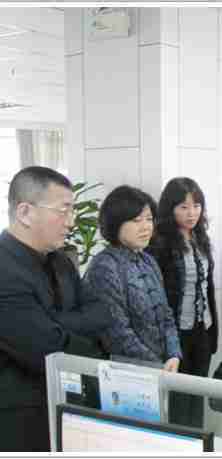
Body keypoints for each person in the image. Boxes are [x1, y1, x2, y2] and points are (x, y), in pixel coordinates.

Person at [0, 166, 111, 452]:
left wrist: (52, 320)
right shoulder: (4, 268)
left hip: (69, 407)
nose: (71, 222)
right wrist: (62, 329)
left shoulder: (60, 260)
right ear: (25, 212)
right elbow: (46, 349)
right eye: (63, 211)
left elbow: (102, 313)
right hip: (19, 421)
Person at [84, 186, 182, 371]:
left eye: (149, 219)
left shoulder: (148, 261)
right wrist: (157, 365)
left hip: (163, 368)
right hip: (127, 373)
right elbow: (117, 335)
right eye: (136, 220)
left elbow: (166, 315)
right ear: (115, 223)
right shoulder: (104, 268)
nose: (146, 227)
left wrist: (173, 354)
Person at [148, 177, 218, 429]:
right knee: (178, 399)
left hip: (203, 329)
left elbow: (208, 287)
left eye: (197, 206)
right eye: (184, 207)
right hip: (177, 332)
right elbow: (158, 295)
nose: (192, 213)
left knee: (198, 393)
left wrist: (214, 331)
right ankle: (181, 443)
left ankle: (197, 443)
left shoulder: (200, 237)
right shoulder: (159, 243)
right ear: (170, 209)